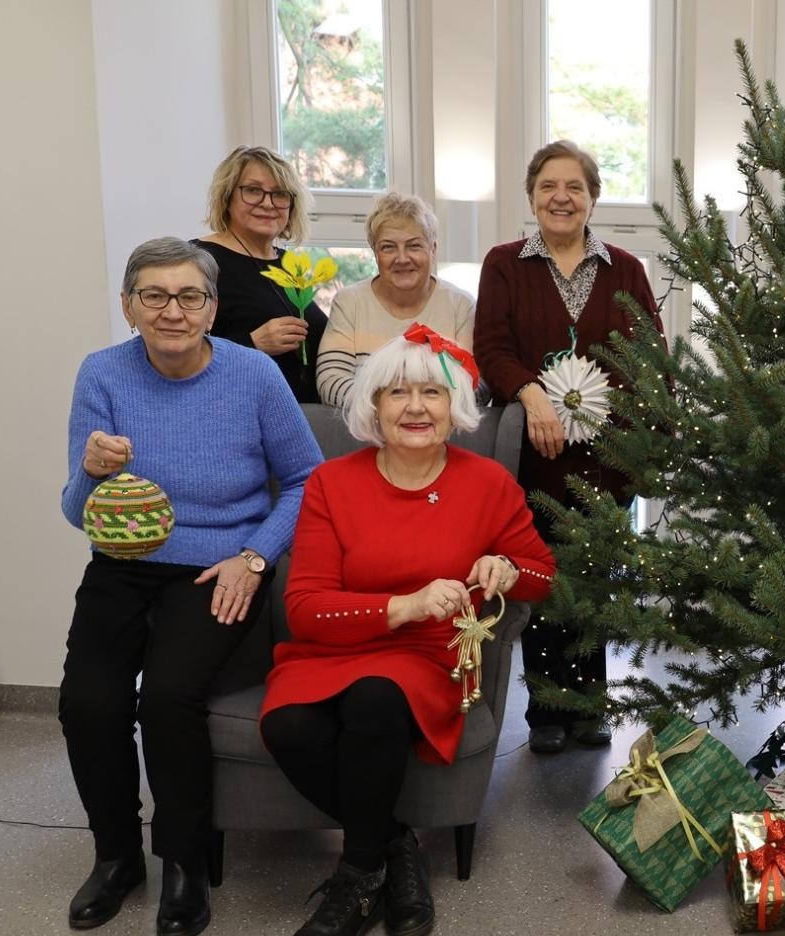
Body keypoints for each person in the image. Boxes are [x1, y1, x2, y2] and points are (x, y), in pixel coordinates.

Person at [260, 329, 555, 936]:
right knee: (286, 726)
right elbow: (306, 608)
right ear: (374, 407)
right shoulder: (331, 484)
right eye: (398, 393)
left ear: (456, 408)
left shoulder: (489, 484)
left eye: (432, 392)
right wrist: (402, 605)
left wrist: (503, 564)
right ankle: (397, 847)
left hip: (429, 653)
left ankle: (358, 878)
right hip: (335, 643)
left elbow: (541, 575)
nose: (415, 407)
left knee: (375, 700)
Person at [59, 237, 321, 936]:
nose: (172, 310)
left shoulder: (253, 373)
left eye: (189, 296)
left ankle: (184, 863)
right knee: (88, 698)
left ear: (211, 308)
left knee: (169, 696)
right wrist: (88, 470)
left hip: (217, 564)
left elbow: (307, 481)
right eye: (154, 295)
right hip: (122, 560)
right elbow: (72, 507)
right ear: (128, 306)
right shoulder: (102, 374)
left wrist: (256, 556)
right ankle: (115, 856)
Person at [473, 140, 664, 756]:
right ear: (531, 196)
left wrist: (608, 414)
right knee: (540, 578)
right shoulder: (504, 264)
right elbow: (492, 347)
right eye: (549, 186)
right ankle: (545, 712)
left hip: (605, 460)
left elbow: (649, 354)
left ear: (592, 196)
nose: (561, 197)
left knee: (595, 581)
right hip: (533, 454)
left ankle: (590, 708)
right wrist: (534, 398)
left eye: (574, 187)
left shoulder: (625, 270)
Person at [193, 145, 327, 404]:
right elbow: (177, 352)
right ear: (227, 196)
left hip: (302, 418)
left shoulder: (289, 262)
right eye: (253, 191)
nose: (268, 203)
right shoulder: (198, 260)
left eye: (279, 194)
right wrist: (253, 343)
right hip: (238, 415)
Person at [315, 192, 476, 408]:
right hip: (366, 430)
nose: (402, 258)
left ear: (433, 250)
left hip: (439, 431)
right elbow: (330, 380)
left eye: (414, 246)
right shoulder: (349, 302)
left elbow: (474, 384)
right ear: (375, 253)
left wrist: (420, 411)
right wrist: (388, 410)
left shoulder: (460, 305)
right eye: (388, 247)